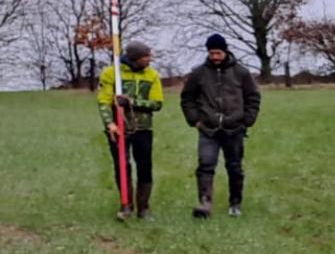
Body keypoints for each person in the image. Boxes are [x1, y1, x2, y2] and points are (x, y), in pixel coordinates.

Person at [179, 33, 262, 218]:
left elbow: (253, 97)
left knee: (234, 167)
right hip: (208, 129)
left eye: (218, 53)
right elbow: (187, 99)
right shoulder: (198, 73)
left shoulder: (241, 72)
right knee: (205, 166)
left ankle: (235, 203)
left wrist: (247, 119)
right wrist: (195, 120)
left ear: (225, 51)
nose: (215, 57)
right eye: (211, 53)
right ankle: (205, 203)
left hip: (235, 128)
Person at [96, 41, 165, 221]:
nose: (149, 60)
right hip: (118, 130)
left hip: (143, 129)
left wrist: (132, 102)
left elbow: (157, 103)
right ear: (135, 58)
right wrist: (109, 123)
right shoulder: (112, 73)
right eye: (145, 57)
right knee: (122, 166)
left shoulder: (152, 75)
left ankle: (144, 207)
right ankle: (125, 204)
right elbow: (103, 101)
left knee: (144, 167)